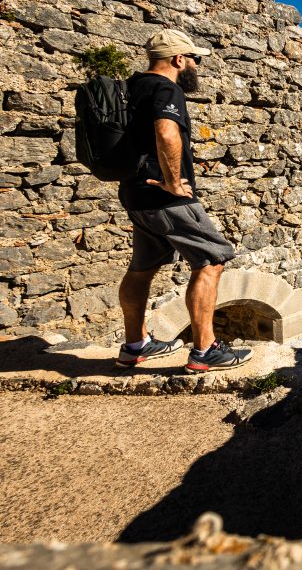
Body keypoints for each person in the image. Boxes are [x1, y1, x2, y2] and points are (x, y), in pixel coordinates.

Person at [115, 28, 252, 373]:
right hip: (165, 198)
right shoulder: (166, 88)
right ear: (179, 59)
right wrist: (174, 182)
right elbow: (166, 131)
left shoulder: (130, 87)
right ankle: (205, 350)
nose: (196, 66)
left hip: (135, 193)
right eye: (194, 59)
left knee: (142, 268)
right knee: (212, 259)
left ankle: (135, 345)